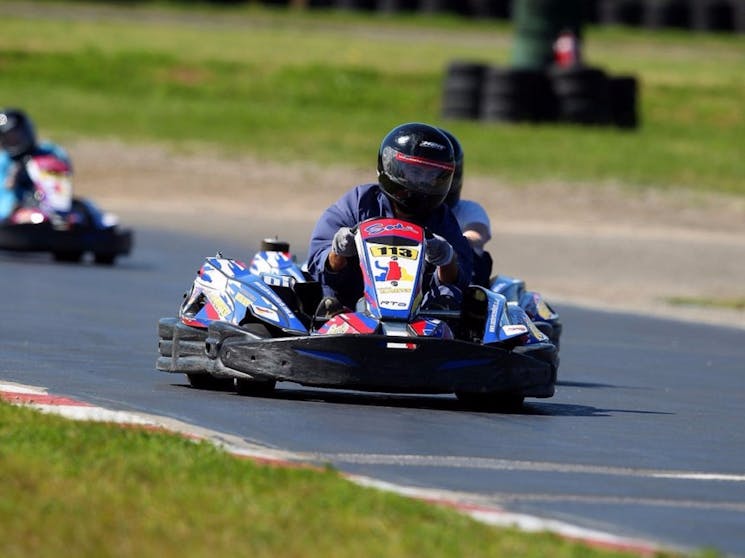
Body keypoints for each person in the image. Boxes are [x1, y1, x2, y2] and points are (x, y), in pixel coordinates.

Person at [306, 122, 473, 315]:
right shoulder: (360, 202)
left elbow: (461, 279)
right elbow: (317, 261)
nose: (422, 183)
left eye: (432, 176)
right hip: (349, 310)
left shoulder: (441, 218)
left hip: (421, 319)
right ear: (391, 165)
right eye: (416, 172)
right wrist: (338, 253)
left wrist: (447, 259)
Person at [439, 128, 494, 288]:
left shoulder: (468, 210)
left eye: (437, 175)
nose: (425, 180)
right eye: (417, 173)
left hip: (462, 284)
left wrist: (447, 244)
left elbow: (477, 233)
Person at [0, 108, 72, 220]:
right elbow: (4, 204)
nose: (16, 140)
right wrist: (13, 181)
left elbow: (65, 171)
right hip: (16, 213)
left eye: (18, 134)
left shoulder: (49, 151)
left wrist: (38, 168)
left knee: (86, 209)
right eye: (10, 137)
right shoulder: (4, 162)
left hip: (51, 206)